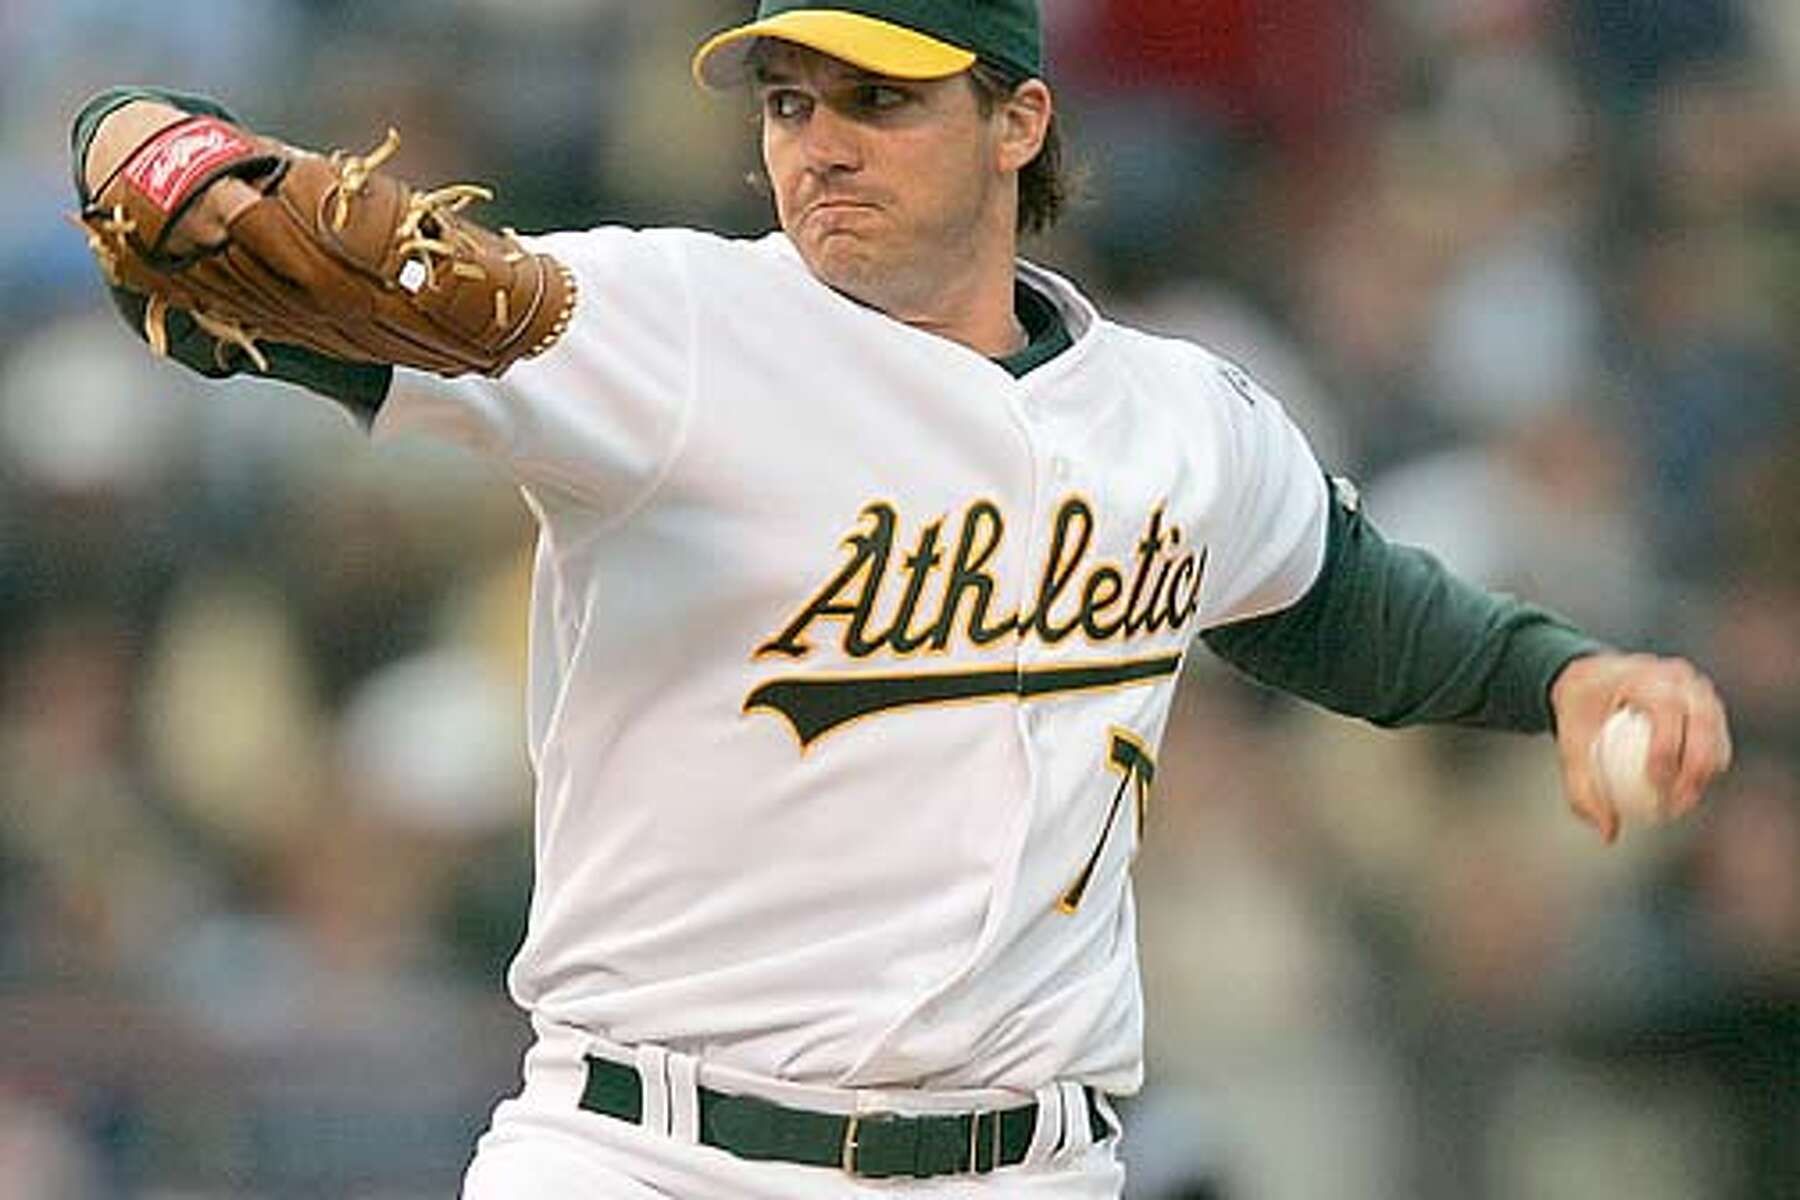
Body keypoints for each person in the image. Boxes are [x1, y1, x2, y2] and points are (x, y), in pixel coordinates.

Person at [71, 2, 1733, 1196]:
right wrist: (146, 147)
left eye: (878, 99)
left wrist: (1564, 678)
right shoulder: (666, 328)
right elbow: (280, 304)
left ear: (1019, 120)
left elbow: (1340, 602)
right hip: (657, 1153)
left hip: (1032, 1160)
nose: (819, 146)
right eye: (790, 103)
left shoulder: (1181, 414)